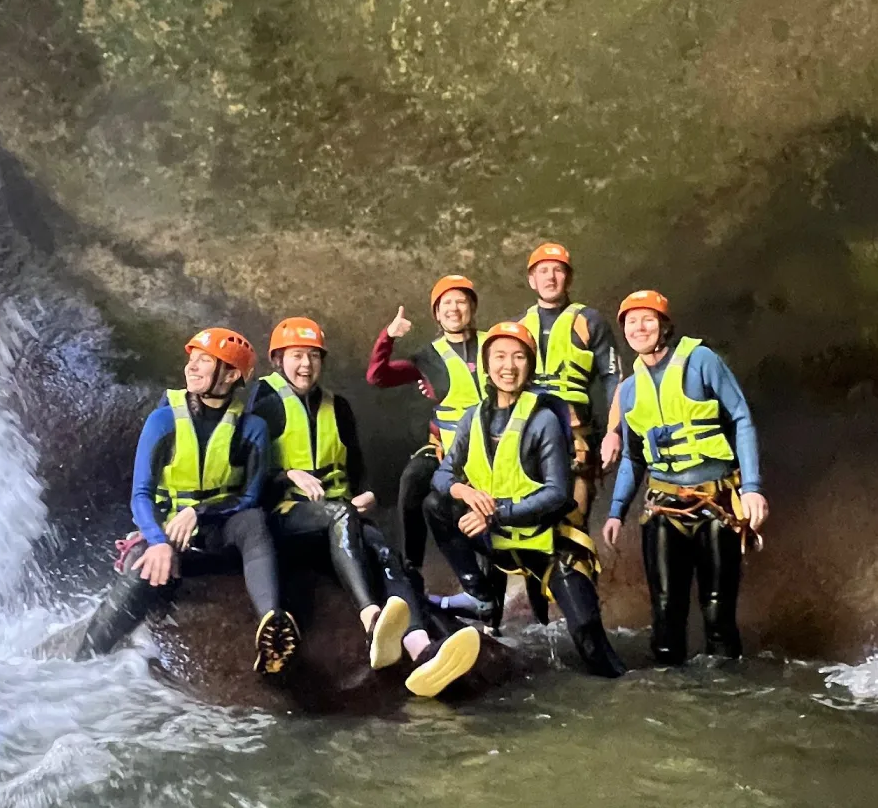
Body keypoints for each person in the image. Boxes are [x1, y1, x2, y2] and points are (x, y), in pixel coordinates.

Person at [77, 327, 302, 672]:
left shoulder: (251, 427)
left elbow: (250, 497)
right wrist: (157, 541)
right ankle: (84, 659)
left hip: (218, 533)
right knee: (146, 567)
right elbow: (141, 495)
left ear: (230, 375)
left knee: (255, 522)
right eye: (192, 360)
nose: (192, 368)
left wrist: (201, 511)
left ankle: (273, 623)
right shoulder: (164, 420)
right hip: (171, 536)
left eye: (204, 361)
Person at [425, 321, 626, 683]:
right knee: (435, 504)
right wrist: (465, 492)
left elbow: (557, 493)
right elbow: (442, 477)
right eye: (500, 356)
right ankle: (478, 593)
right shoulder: (473, 418)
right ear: (487, 365)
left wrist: (496, 513)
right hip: (497, 543)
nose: (509, 366)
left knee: (590, 643)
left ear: (530, 366)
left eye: (519, 357)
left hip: (545, 543)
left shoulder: (544, 419)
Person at [601, 291, 768, 665]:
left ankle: (726, 694)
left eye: (648, 319)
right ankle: (672, 699)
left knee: (717, 612)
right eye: (631, 322)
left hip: (717, 503)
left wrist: (753, 488)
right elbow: (632, 456)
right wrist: (616, 512)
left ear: (664, 326)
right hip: (663, 509)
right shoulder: (628, 390)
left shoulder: (700, 361)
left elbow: (741, 418)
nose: (639, 328)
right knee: (664, 614)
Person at [253, 317, 415, 666]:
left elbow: (356, 468)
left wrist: (367, 494)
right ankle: (371, 617)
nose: (305, 364)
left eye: (313, 356)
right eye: (296, 355)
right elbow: (247, 477)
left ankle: (420, 645)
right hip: (288, 518)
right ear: (278, 360)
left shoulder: (337, 406)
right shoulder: (262, 403)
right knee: (341, 514)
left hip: (340, 516)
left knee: (385, 551)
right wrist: (287, 474)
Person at [364, 275, 483, 569]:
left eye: (461, 301)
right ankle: (412, 567)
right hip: (447, 449)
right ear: (437, 313)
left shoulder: (493, 342)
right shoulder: (427, 357)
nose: (454, 308)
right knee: (412, 480)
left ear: (472, 308)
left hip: (494, 445)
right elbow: (377, 376)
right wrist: (388, 337)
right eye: (447, 303)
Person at [518, 242, 622, 523]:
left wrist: (614, 431)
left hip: (576, 435)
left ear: (569, 277)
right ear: (532, 280)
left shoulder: (590, 321)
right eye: (543, 271)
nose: (550, 277)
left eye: (558, 270)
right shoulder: (519, 327)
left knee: (573, 520)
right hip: (528, 432)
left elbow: (613, 378)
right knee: (530, 520)